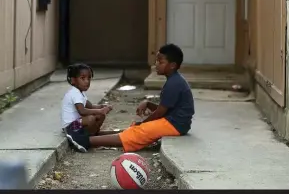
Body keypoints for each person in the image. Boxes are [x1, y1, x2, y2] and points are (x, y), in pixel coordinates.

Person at [66, 43, 195, 153]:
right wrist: (148, 103)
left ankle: (85, 141)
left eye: (160, 62)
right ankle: (93, 136)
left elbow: (161, 112)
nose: (156, 64)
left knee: (138, 132)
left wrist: (144, 123)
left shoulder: (174, 83)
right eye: (156, 61)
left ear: (172, 65)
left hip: (175, 125)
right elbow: (167, 109)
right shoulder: (174, 80)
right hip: (173, 121)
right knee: (135, 127)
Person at [62, 63, 113, 152]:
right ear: (73, 80)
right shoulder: (74, 93)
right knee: (91, 119)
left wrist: (103, 107)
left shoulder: (81, 93)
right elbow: (82, 111)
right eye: (83, 78)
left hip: (78, 123)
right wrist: (100, 110)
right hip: (70, 127)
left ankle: (90, 136)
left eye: (89, 78)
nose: (87, 81)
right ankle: (78, 139)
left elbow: (91, 106)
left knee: (100, 116)